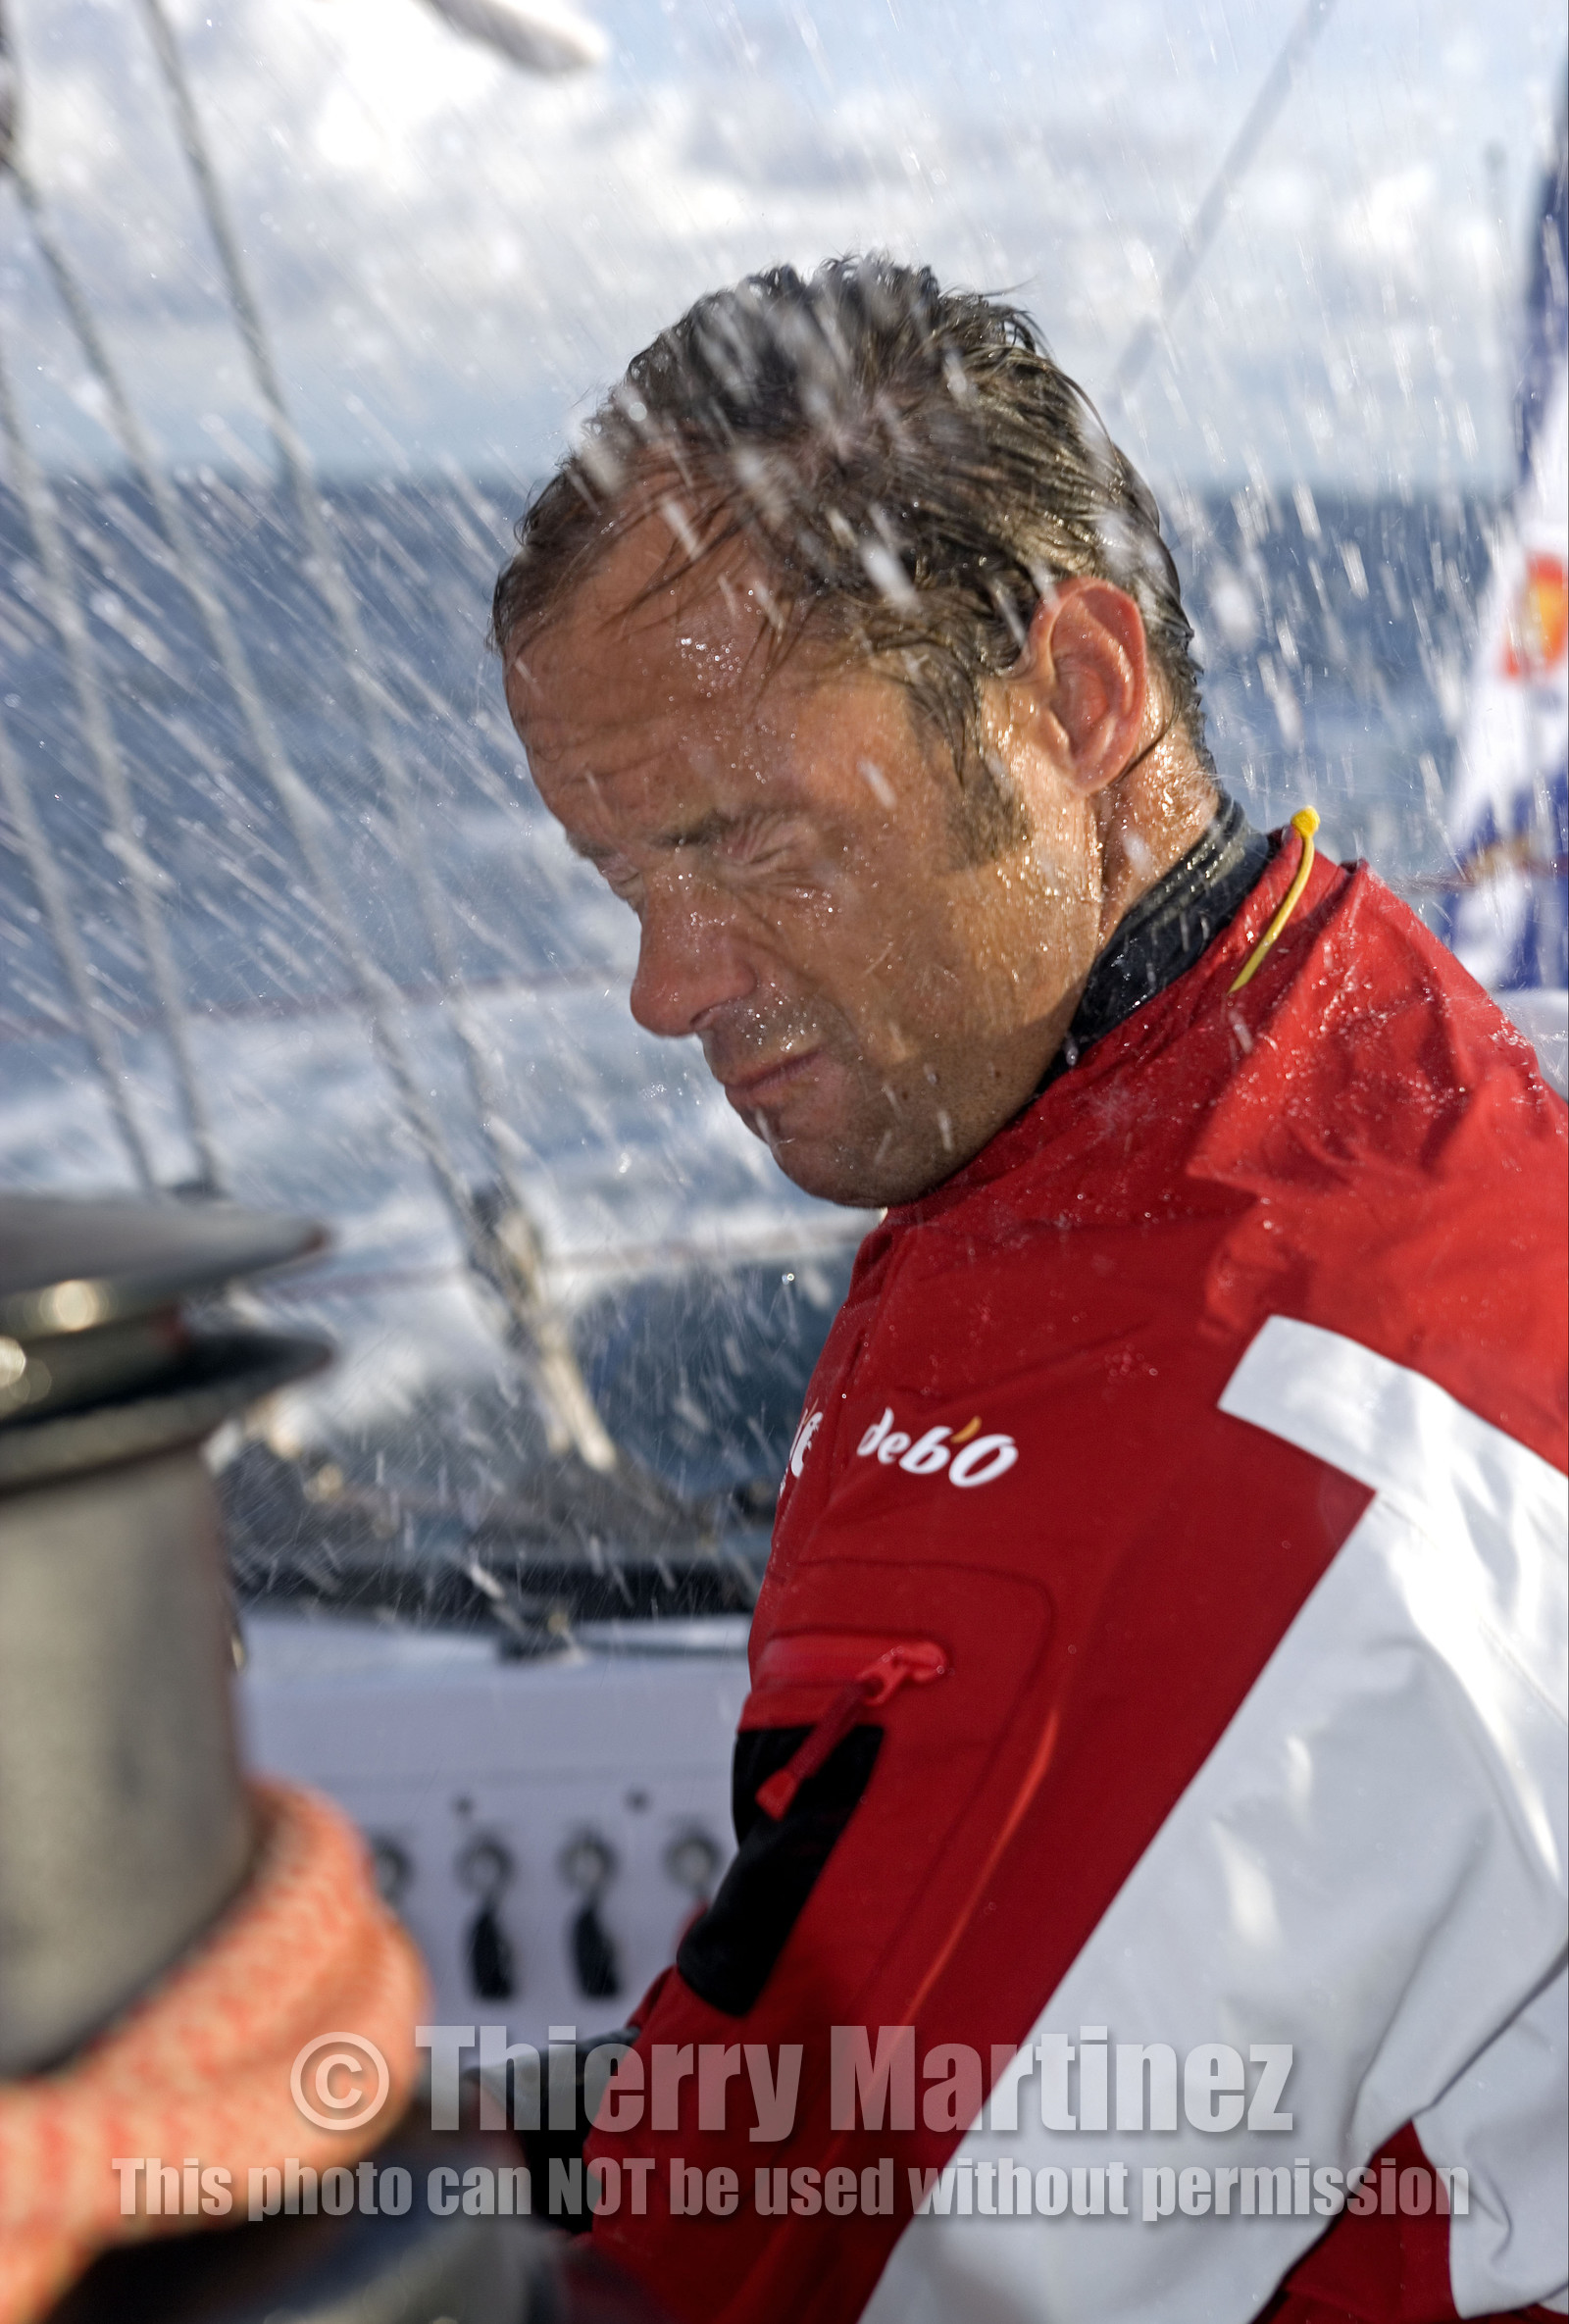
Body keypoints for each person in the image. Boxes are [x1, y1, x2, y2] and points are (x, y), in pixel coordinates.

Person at [493, 258, 1568, 2324]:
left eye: (746, 842)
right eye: (629, 876)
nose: (664, 985)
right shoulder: (1278, 1056)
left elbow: (816, 2281)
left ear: (1076, 700)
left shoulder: (1233, 1458)